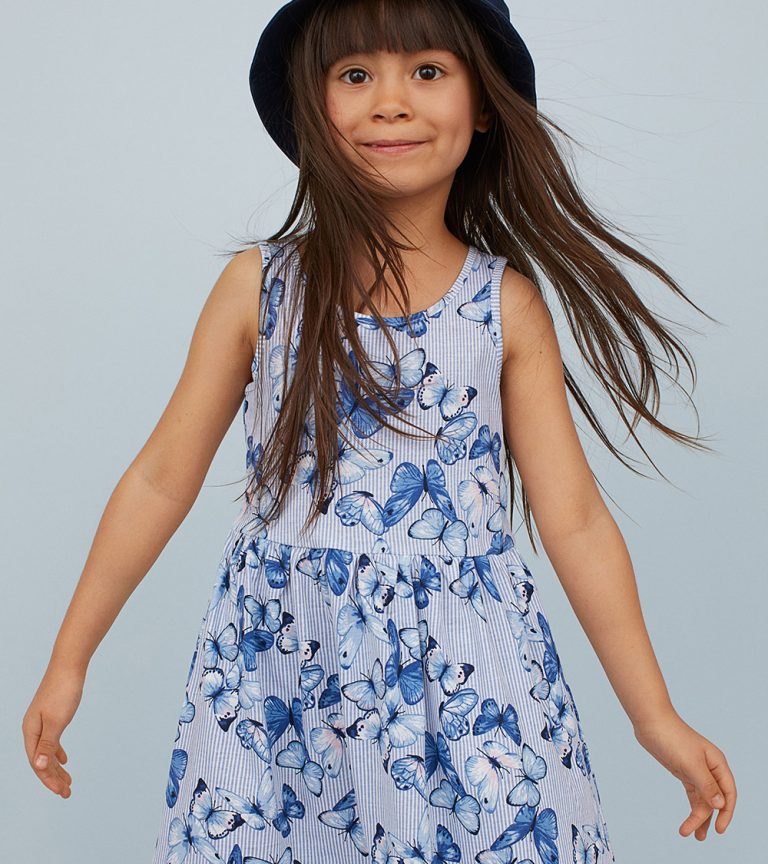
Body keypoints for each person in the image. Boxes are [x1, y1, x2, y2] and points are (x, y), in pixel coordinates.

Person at [22, 1, 737, 861]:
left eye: (427, 71)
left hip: (469, 690)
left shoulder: (503, 308)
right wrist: (70, 660)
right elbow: (160, 478)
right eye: (355, 75)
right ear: (311, 106)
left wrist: (654, 716)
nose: (390, 102)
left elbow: (575, 520)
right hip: (283, 682)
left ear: (483, 105)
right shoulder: (261, 289)